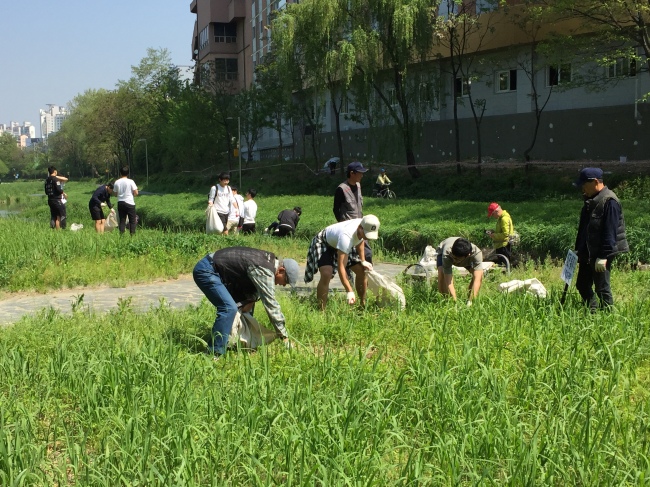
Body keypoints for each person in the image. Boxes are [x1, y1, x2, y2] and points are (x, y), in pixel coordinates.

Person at [192, 246, 300, 357]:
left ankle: (238, 343)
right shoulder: (265, 269)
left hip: (218, 271)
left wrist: (250, 300)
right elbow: (271, 304)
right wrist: (283, 336)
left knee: (245, 306)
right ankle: (214, 353)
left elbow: (253, 287)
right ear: (281, 271)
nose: (282, 285)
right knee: (229, 308)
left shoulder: (268, 261)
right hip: (207, 270)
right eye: (285, 281)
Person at [573, 167, 629, 312]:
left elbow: (610, 232)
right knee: (582, 284)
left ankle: (609, 317)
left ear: (596, 182)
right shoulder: (590, 201)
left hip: (601, 253)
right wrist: (578, 249)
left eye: (584, 184)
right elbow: (584, 229)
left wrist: (603, 257)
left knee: (602, 288)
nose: (582, 188)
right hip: (588, 251)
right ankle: (593, 312)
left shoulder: (610, 202)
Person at [304, 215, 380, 310]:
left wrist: (363, 260)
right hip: (324, 242)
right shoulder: (346, 236)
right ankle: (321, 310)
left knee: (362, 271)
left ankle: (362, 305)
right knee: (327, 273)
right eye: (366, 234)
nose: (367, 237)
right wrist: (349, 291)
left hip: (339, 242)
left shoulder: (366, 223)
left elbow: (360, 241)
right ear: (360, 228)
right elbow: (341, 267)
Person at [436, 237, 484, 305]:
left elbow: (477, 279)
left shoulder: (477, 254)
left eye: (457, 259)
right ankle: (446, 300)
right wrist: (455, 301)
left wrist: (470, 301)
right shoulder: (447, 252)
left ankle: (469, 300)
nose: (455, 260)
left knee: (478, 274)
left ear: (468, 255)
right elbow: (448, 279)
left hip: (466, 260)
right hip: (443, 249)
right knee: (441, 272)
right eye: (454, 257)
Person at [113, 166, 139, 235]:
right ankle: (132, 235)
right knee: (132, 221)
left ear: (120, 173)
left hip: (120, 202)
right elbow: (136, 193)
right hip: (130, 202)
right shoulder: (131, 181)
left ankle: (122, 236)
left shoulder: (117, 182)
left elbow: (115, 194)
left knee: (122, 220)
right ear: (128, 173)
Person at [44, 166, 67, 230]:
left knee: (53, 216)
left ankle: (52, 229)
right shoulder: (55, 179)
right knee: (60, 216)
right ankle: (60, 230)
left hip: (50, 200)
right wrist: (63, 193)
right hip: (57, 200)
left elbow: (46, 191)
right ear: (55, 171)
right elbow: (59, 189)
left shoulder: (47, 180)